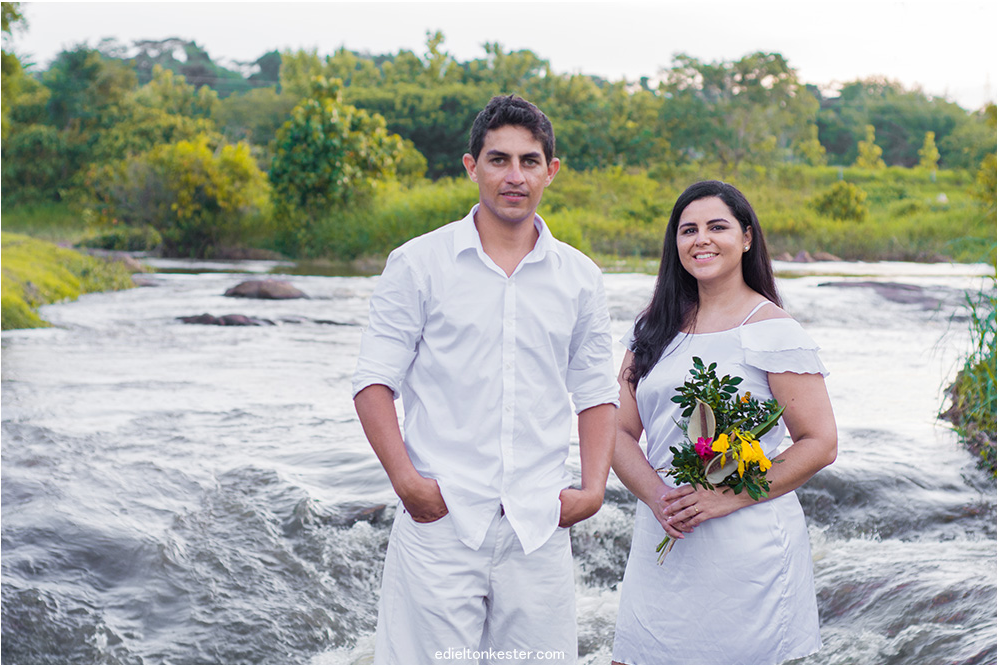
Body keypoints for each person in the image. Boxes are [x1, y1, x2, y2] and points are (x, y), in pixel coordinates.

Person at [352, 95, 619, 665]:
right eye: (498, 160)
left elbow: (596, 392)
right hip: (440, 519)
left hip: (538, 524)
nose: (514, 176)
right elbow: (374, 382)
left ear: (552, 170)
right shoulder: (418, 263)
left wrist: (593, 489)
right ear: (472, 166)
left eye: (529, 161)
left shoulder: (580, 277)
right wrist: (408, 483)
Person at [610, 180, 837, 665]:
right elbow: (619, 431)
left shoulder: (773, 329)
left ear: (747, 237)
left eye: (718, 227)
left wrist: (723, 497)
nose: (701, 239)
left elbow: (820, 443)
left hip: (746, 544)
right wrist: (657, 497)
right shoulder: (650, 326)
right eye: (688, 229)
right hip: (664, 526)